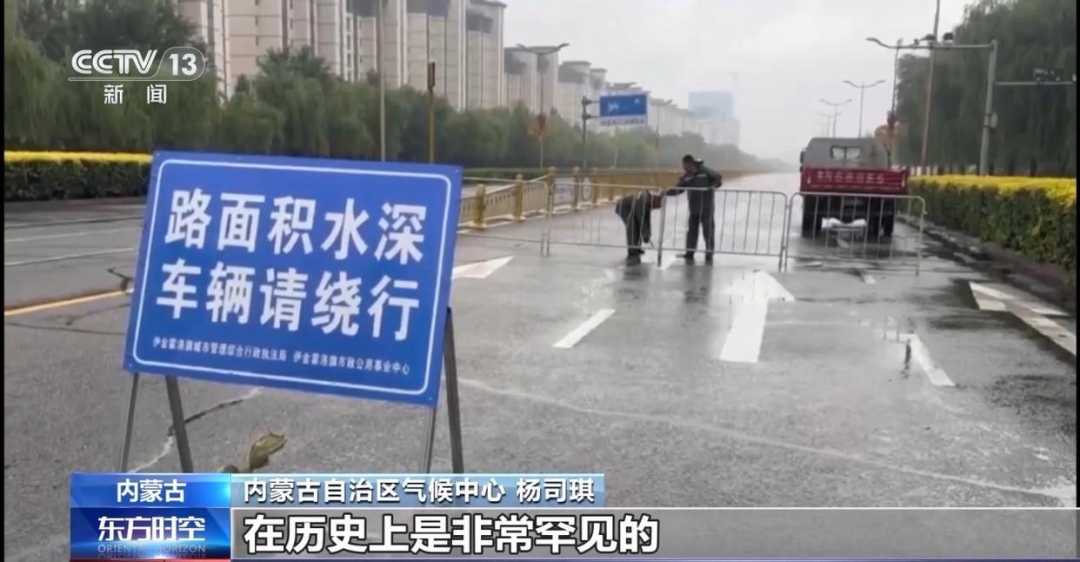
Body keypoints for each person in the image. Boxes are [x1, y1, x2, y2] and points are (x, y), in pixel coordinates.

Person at [668, 154, 723, 263]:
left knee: (708, 231)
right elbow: (678, 189)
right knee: (692, 231)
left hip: (707, 208)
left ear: (690, 163)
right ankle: (689, 253)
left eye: (685, 165)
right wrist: (666, 192)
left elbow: (718, 177)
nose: (684, 168)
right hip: (694, 208)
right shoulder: (687, 176)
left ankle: (709, 253)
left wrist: (712, 186)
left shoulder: (705, 172)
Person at [614, 190, 662, 265]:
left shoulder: (648, 201)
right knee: (632, 227)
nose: (657, 207)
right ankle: (632, 251)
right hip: (624, 208)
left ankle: (637, 248)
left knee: (637, 226)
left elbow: (647, 219)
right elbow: (641, 219)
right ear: (654, 199)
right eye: (657, 205)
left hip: (632, 208)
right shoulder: (642, 201)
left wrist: (648, 233)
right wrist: (646, 235)